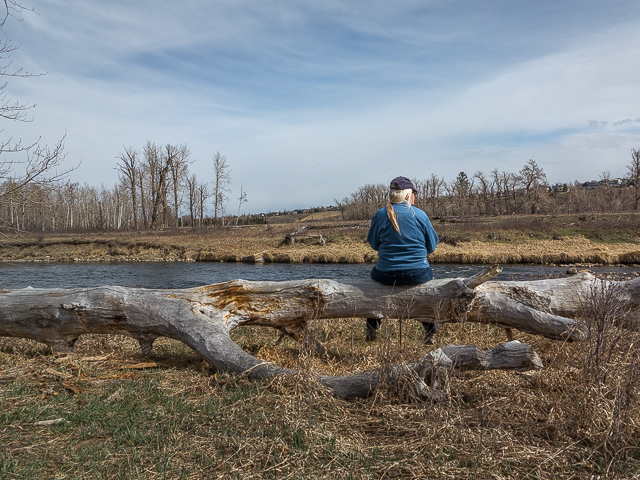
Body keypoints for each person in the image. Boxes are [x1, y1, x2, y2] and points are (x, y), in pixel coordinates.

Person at [365, 176, 440, 343]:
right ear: (408, 195)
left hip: (386, 274)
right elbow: (432, 246)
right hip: (418, 273)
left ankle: (372, 327)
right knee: (425, 288)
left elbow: (374, 244)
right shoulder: (420, 215)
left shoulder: (380, 214)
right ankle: (431, 328)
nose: (414, 196)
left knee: (373, 283)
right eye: (414, 193)